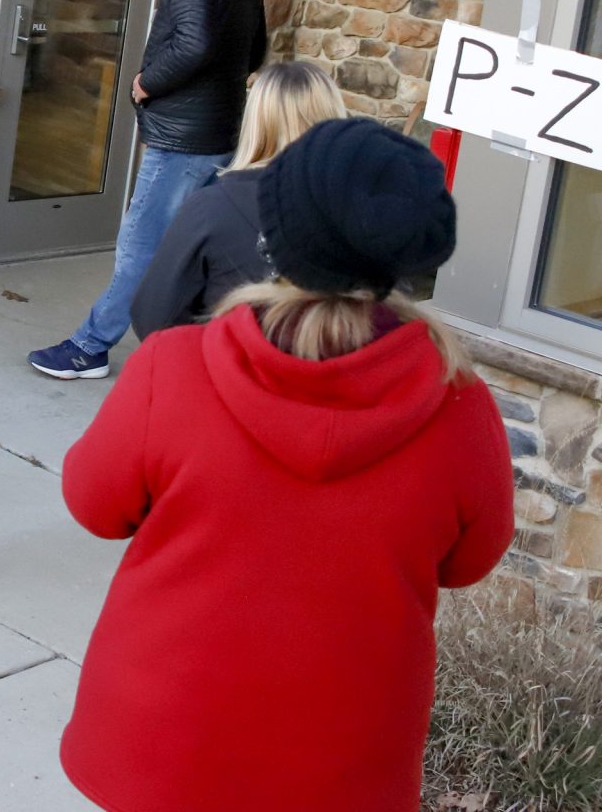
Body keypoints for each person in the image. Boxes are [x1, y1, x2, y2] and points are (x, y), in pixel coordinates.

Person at [59, 118, 515, 812]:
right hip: (346, 757)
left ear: (277, 232)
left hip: (163, 737)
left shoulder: (173, 368)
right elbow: (470, 561)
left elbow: (94, 504)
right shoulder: (459, 406)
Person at [28, 0, 266, 381]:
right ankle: (197, 351)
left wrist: (147, 82)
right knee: (192, 248)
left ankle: (89, 347)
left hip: (182, 139)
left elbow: (195, 44)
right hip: (219, 131)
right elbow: (256, 52)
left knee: (142, 245)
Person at [130, 61, 346, 338]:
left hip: (236, 368)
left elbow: (153, 319)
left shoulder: (211, 208)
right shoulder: (367, 209)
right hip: (334, 371)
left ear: (255, 122)